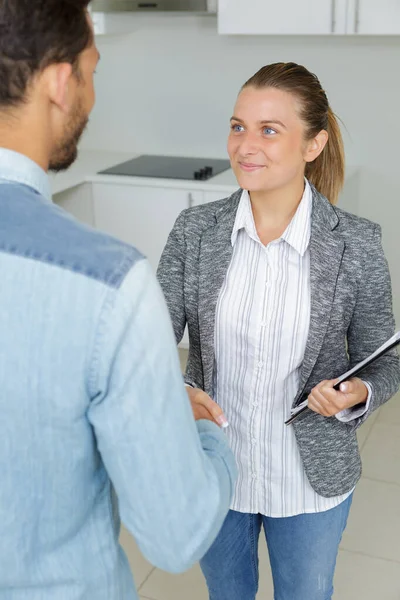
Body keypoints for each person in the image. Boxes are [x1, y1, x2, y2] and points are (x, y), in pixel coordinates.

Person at [0, 1, 237, 598]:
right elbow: (176, 537)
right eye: (93, 70)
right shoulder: (108, 285)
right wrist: (207, 439)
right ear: (60, 82)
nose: (93, 92)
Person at [157, 62, 400, 600]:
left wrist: (357, 393)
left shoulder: (356, 244)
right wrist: (178, 392)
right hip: (216, 469)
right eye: (238, 126)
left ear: (313, 144)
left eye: (269, 130)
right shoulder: (195, 232)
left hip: (310, 482)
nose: (246, 145)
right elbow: (147, 346)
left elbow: (386, 360)